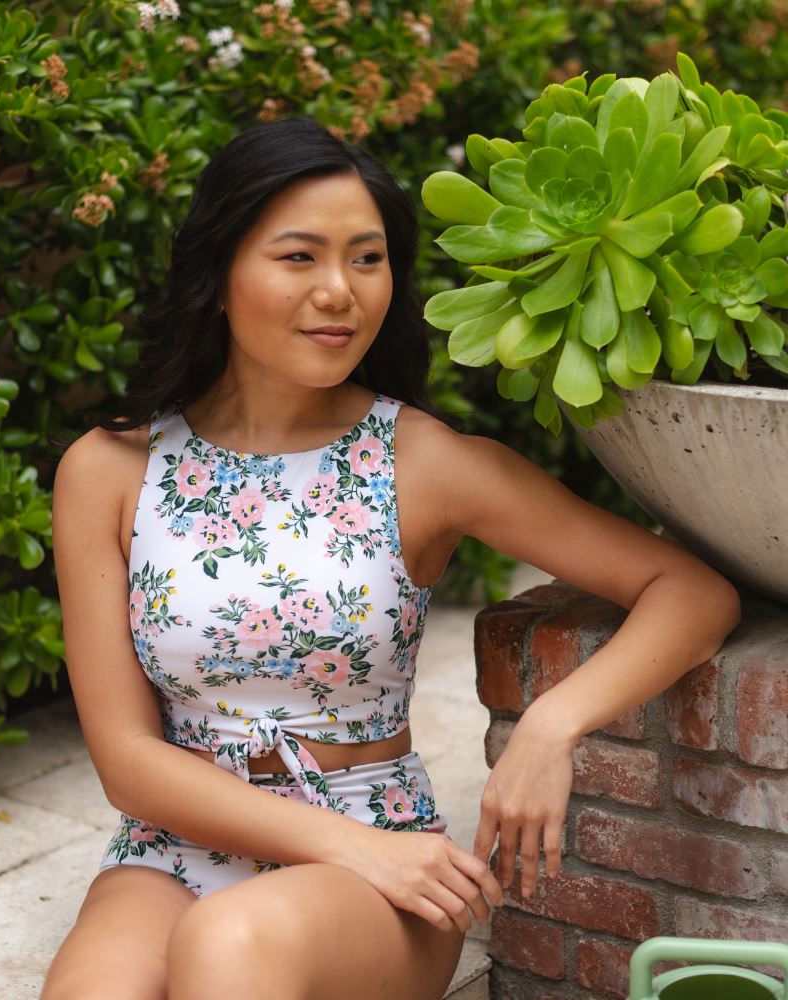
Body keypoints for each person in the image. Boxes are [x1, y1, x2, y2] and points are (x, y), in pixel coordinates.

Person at [42, 115, 742, 1000]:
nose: (340, 291)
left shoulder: (423, 462)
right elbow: (126, 756)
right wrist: (347, 847)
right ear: (217, 274)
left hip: (380, 859)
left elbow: (689, 590)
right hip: (176, 846)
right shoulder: (108, 471)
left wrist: (550, 724)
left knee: (229, 945)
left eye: (366, 259)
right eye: (299, 256)